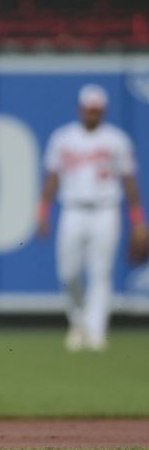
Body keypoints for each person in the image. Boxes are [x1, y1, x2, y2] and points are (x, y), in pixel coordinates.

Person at [38, 84, 148, 352]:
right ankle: (78, 322)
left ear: (104, 111)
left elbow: (129, 181)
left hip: (106, 210)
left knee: (100, 273)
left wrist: (137, 220)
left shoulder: (116, 140)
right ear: (80, 109)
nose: (92, 114)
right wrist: (43, 210)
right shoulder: (64, 138)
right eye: (89, 110)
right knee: (68, 272)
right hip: (72, 209)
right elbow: (52, 177)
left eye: (97, 110)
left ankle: (96, 331)